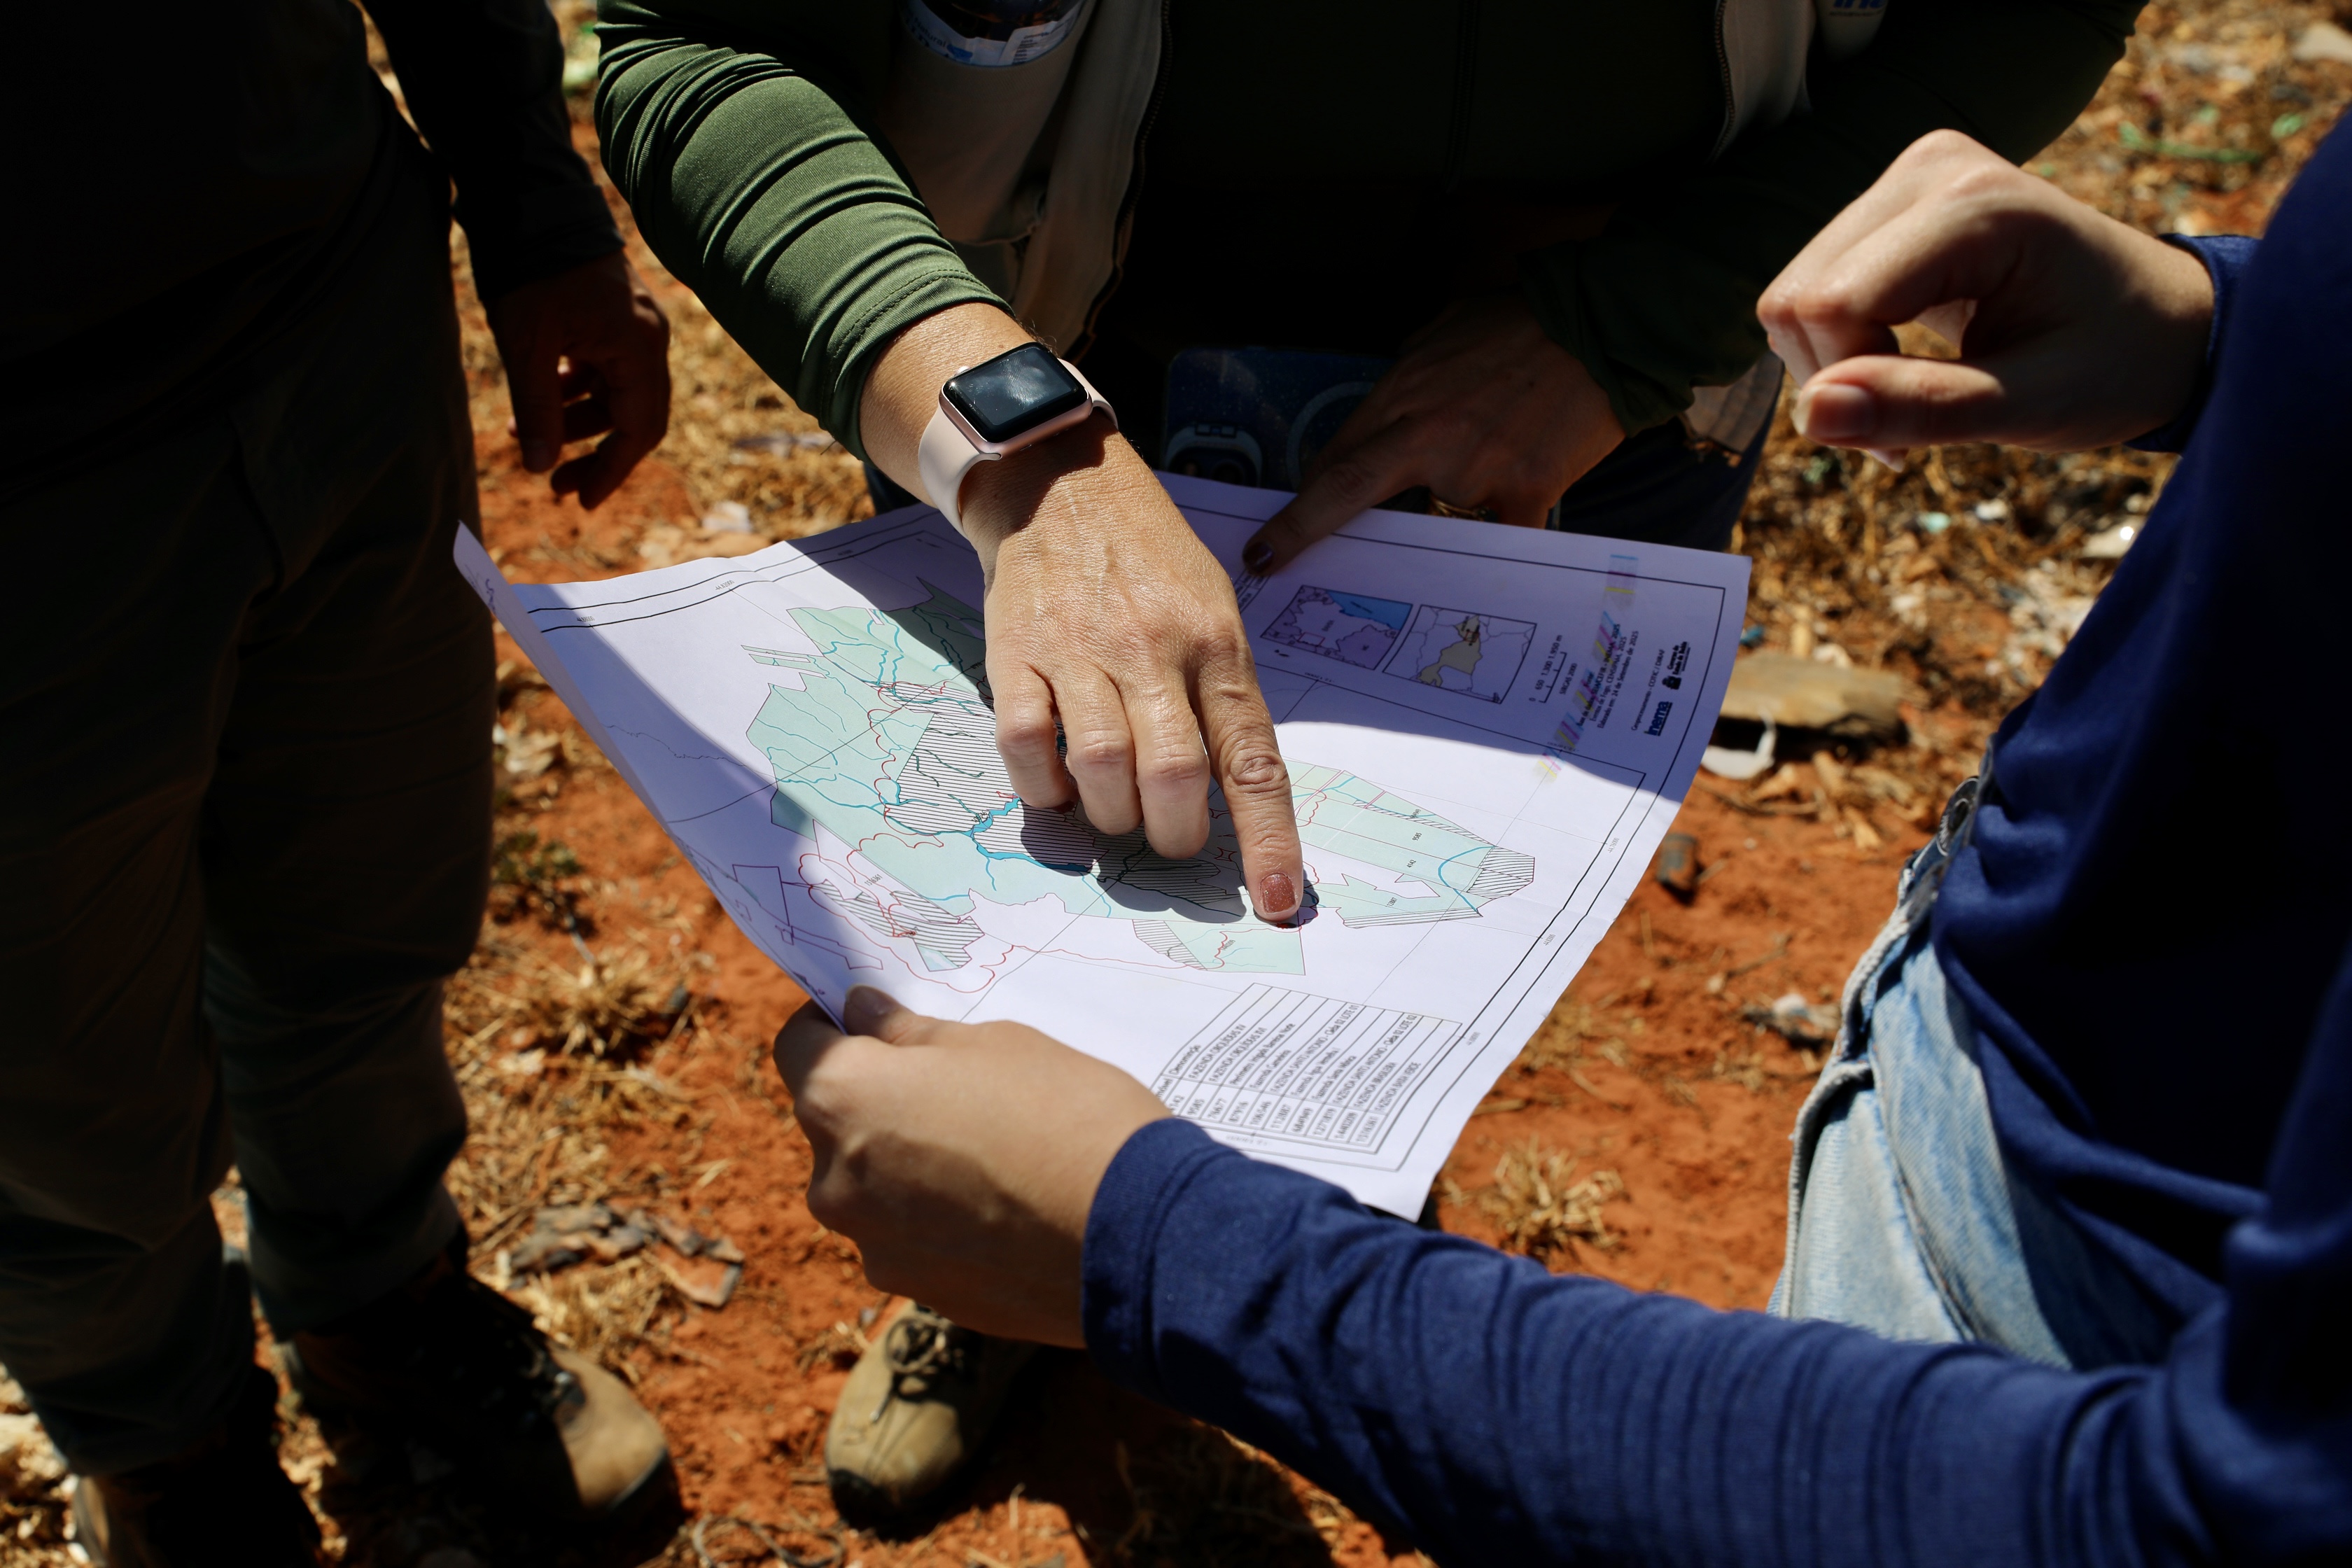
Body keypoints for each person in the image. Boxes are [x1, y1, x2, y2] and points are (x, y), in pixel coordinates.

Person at [591, 0, 2148, 1507]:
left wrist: (1625, 325)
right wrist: (1023, 448)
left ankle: (1335, 1258)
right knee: (1037, 903)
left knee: (1383, 971)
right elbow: (694, 43)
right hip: (1058, 338)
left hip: (1611, 411)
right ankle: (1002, 1281)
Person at [1, 4, 676, 1562]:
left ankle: (381, 1298)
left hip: (330, 325)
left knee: (366, 918)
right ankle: (167, 1451)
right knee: (58, 1098)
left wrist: (531, 207)